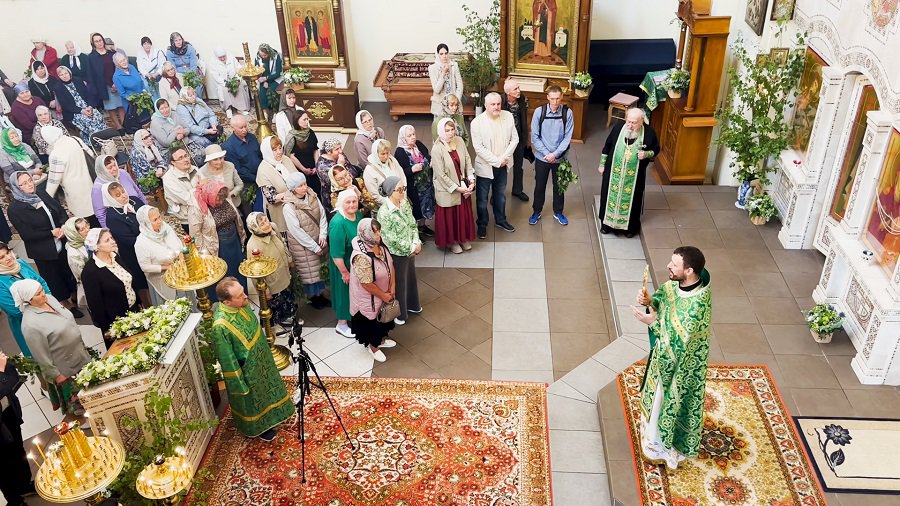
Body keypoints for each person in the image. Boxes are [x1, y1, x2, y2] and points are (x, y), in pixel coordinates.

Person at [632, 246, 711, 469]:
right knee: (656, 396)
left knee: (664, 400)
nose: (668, 266)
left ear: (689, 270)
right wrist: (649, 301)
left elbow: (678, 344)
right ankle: (652, 434)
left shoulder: (697, 306)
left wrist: (652, 322)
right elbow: (662, 300)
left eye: (674, 264)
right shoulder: (674, 284)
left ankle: (660, 444)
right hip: (663, 359)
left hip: (679, 367)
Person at [211, 277, 293, 441]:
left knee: (269, 388)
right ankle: (260, 427)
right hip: (248, 371)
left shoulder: (241, 304)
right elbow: (227, 360)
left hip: (262, 359)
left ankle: (276, 414)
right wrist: (239, 384)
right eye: (240, 295)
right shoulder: (220, 326)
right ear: (227, 302)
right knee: (255, 399)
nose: (246, 297)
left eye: (243, 292)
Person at [7, 171, 82, 316]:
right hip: (44, 250)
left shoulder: (41, 194)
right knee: (54, 278)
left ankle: (75, 296)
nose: (29, 185)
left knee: (68, 271)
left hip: (61, 241)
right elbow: (27, 234)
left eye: (30, 180)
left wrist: (63, 226)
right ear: (16, 187)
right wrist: (50, 233)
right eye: (24, 184)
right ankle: (65, 305)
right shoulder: (15, 209)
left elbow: (59, 210)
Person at [15, 279, 91, 416]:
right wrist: (57, 376)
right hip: (66, 368)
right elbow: (41, 356)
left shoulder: (49, 299)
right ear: (28, 300)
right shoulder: (30, 325)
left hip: (80, 354)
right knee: (80, 404)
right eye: (38, 294)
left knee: (92, 392)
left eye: (42, 290)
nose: (43, 294)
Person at [598, 108, 660, 238]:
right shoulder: (618, 127)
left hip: (634, 177)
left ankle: (629, 228)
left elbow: (656, 149)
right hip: (613, 172)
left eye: (634, 123)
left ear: (641, 121)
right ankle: (606, 225)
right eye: (628, 121)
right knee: (608, 196)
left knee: (633, 201)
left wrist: (646, 154)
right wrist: (602, 164)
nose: (630, 125)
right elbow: (607, 145)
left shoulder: (649, 133)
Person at [81, 228, 140, 347]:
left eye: (111, 238)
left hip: (134, 311)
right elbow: (96, 305)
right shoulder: (90, 272)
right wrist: (108, 329)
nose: (113, 241)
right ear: (97, 247)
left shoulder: (115, 256)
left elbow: (128, 282)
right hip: (116, 321)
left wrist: (138, 302)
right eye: (107, 240)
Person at [470, 92, 519, 238]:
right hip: (486, 166)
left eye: (498, 104)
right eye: (493, 104)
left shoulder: (508, 116)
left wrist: (503, 158)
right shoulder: (477, 123)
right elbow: (479, 148)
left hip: (503, 164)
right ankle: (482, 224)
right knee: (482, 199)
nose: (496, 107)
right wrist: (497, 161)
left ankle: (500, 220)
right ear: (486, 105)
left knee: (500, 195)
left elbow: (515, 139)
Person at [348, 218, 397, 362]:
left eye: (379, 231)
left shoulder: (380, 245)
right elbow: (366, 284)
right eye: (375, 232)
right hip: (369, 300)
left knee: (383, 320)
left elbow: (390, 265)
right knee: (371, 323)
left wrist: (392, 287)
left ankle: (380, 340)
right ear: (366, 233)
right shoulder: (360, 257)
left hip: (384, 294)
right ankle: (373, 346)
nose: (379, 235)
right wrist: (383, 295)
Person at [376, 176, 421, 325]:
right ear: (390, 192)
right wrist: (411, 247)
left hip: (410, 248)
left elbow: (412, 224)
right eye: (399, 189)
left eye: (404, 188)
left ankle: (413, 305)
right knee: (400, 283)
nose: (402, 192)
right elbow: (390, 238)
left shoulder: (404, 203)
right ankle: (400, 313)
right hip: (397, 254)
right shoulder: (384, 213)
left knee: (411, 278)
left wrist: (416, 241)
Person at [282, 173, 330, 310]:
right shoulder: (288, 207)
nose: (304, 187)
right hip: (303, 246)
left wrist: (323, 234)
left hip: (317, 238)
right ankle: (314, 298)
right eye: (300, 186)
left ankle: (321, 296)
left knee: (319, 270)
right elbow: (296, 231)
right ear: (293, 189)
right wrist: (314, 247)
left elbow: (321, 215)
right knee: (310, 274)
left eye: (304, 184)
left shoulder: (312, 195)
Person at [529, 85, 574, 226]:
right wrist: (547, 154)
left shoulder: (567, 113)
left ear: (562, 97)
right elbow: (535, 137)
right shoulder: (539, 112)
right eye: (552, 98)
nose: (555, 102)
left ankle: (558, 212)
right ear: (547, 97)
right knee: (539, 186)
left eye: (558, 98)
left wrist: (555, 154)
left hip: (560, 158)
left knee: (559, 187)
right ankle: (536, 211)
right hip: (542, 157)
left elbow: (567, 137)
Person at [189, 180, 246, 291]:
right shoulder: (196, 208)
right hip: (218, 247)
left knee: (239, 268)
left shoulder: (225, 199)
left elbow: (236, 218)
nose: (220, 202)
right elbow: (195, 235)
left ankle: (241, 293)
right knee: (224, 274)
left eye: (222, 199)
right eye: (217, 199)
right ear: (209, 196)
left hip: (234, 242)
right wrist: (204, 255)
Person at [431, 118, 476, 254]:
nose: (451, 133)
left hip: (462, 184)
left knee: (462, 214)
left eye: (452, 129)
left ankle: (463, 238)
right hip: (447, 189)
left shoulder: (460, 141)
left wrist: (471, 179)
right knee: (451, 217)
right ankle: (452, 242)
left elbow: (467, 160)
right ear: (440, 132)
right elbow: (441, 175)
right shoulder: (437, 149)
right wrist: (457, 188)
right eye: (447, 130)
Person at [0, 242, 52, 357]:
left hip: (48, 310)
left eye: (8, 252)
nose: (8, 257)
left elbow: (41, 282)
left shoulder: (21, 263)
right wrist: (42, 305)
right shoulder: (1, 281)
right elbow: (15, 310)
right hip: (27, 324)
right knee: (41, 356)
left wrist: (48, 299)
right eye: (2, 257)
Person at [103, 182, 149, 306]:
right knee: (143, 283)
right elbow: (128, 240)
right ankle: (148, 305)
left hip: (151, 244)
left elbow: (148, 215)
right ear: (110, 198)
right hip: (134, 253)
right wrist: (149, 239)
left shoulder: (134, 200)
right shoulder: (112, 217)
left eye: (123, 191)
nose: (123, 196)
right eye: (118, 195)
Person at [0, 349, 37, 505]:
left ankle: (24, 485)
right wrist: (1, 372)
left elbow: (14, 377)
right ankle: (15, 501)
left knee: (18, 450)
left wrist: (4, 369)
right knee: (2, 464)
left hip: (9, 412)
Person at [246, 212, 297, 325]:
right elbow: (255, 274)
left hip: (283, 273)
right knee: (275, 308)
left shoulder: (273, 227)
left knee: (287, 299)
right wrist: (265, 292)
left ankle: (288, 318)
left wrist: (289, 259)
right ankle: (277, 326)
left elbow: (282, 243)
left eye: (266, 219)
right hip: (272, 283)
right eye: (262, 223)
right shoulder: (253, 246)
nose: (267, 224)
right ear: (255, 228)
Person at [43, 126, 96, 223]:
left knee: (85, 217)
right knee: (97, 209)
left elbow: (54, 180)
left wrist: (47, 197)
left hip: (74, 189)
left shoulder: (56, 154)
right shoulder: (75, 139)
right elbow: (91, 154)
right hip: (89, 179)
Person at [135, 206, 186, 305]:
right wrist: (166, 267)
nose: (160, 221)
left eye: (159, 217)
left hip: (180, 273)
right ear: (145, 223)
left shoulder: (166, 228)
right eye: (155, 220)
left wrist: (181, 256)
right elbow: (145, 267)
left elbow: (178, 244)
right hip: (162, 280)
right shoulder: (141, 242)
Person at [329, 189, 362, 338]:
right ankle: (341, 324)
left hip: (356, 261)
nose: (352, 205)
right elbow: (336, 253)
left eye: (354, 201)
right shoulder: (338, 223)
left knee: (355, 292)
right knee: (344, 292)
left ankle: (354, 315)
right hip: (342, 264)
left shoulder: (358, 215)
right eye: (348, 202)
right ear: (342, 203)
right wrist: (345, 272)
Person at [394, 125, 435, 238]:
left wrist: (431, 161)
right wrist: (412, 169)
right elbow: (400, 172)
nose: (413, 137)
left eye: (413, 134)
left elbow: (427, 156)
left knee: (425, 207)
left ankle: (422, 227)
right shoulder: (400, 152)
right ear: (403, 137)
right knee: (416, 209)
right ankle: (414, 232)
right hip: (414, 188)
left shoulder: (419, 144)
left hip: (426, 184)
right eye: (409, 136)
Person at [52, 66, 107, 143]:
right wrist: (82, 111)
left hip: (87, 107)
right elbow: (66, 105)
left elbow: (88, 95)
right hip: (74, 111)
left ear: (69, 73)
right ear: (59, 76)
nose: (64, 76)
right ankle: (95, 142)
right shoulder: (58, 87)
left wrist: (90, 106)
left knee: (98, 117)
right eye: (61, 75)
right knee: (87, 121)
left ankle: (104, 138)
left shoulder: (78, 80)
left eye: (66, 73)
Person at [256, 135, 298, 233]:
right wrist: (292, 192)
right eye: (274, 150)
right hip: (281, 210)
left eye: (280, 148)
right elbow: (271, 198)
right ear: (267, 151)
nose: (279, 152)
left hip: (298, 206)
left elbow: (297, 177)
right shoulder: (263, 170)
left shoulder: (285, 159)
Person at [91, 154, 147, 227]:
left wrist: (147, 209)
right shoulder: (98, 188)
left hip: (139, 213)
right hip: (122, 223)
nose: (114, 169)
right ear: (102, 170)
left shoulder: (123, 173)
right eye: (110, 168)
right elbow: (101, 214)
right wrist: (108, 230)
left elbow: (138, 192)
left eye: (114, 165)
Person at [224, 114, 263, 215]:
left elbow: (260, 155)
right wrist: (256, 178)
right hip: (246, 183)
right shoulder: (229, 147)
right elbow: (238, 170)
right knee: (250, 210)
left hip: (261, 176)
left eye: (245, 126)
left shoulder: (252, 137)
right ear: (233, 128)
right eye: (241, 128)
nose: (244, 130)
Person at [150, 97, 204, 165]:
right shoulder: (155, 123)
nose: (165, 110)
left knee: (203, 154)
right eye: (162, 109)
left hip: (185, 143)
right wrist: (176, 132)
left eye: (166, 107)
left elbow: (187, 128)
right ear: (157, 110)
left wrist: (183, 133)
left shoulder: (174, 114)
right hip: (171, 150)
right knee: (195, 161)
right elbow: (165, 143)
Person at [86, 32, 123, 130]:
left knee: (121, 105)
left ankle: (124, 125)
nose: (99, 43)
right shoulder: (91, 57)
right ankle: (119, 127)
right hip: (103, 85)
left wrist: (116, 83)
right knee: (111, 107)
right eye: (96, 41)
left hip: (117, 83)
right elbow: (91, 74)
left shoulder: (112, 53)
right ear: (93, 44)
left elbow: (119, 67)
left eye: (100, 40)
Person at [502, 78, 530, 202]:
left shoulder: (522, 99)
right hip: (504, 140)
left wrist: (527, 138)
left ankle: (517, 190)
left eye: (518, 88)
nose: (519, 91)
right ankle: (497, 193)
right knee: (501, 167)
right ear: (508, 92)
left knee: (519, 166)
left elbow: (525, 119)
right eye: (515, 89)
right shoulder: (501, 101)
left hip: (518, 138)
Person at [283, 107, 321, 198]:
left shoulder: (310, 132)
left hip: (313, 168)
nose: (307, 122)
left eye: (307, 119)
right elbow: (292, 156)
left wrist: (316, 165)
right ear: (297, 121)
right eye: (304, 119)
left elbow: (315, 149)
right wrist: (304, 169)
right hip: (300, 170)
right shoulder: (292, 137)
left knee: (318, 191)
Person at [316, 138, 360, 212]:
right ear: (328, 152)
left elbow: (352, 172)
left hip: (351, 188)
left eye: (340, 147)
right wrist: (340, 165)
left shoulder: (340, 155)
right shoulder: (322, 167)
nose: (340, 151)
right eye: (337, 149)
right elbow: (335, 184)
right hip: (335, 196)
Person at [161, 146, 200, 231]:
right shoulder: (169, 179)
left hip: (203, 212)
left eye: (186, 156)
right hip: (188, 219)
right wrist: (200, 188)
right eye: (180, 158)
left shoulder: (194, 169)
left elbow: (206, 184)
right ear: (173, 163)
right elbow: (187, 199)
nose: (186, 159)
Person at [207, 48, 250, 118]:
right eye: (220, 57)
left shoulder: (231, 57)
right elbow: (216, 76)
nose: (223, 58)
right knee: (225, 90)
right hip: (222, 82)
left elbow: (239, 68)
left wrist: (237, 80)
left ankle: (240, 108)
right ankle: (228, 109)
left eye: (224, 56)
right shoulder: (213, 62)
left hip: (234, 79)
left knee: (238, 87)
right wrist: (226, 84)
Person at [363, 139, 407, 208]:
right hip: (387, 206)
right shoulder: (369, 171)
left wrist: (403, 197)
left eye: (387, 153)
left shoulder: (392, 160)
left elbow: (402, 177)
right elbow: (375, 195)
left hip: (402, 200)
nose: (386, 156)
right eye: (383, 154)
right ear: (376, 153)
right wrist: (393, 204)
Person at [199, 144, 243, 209]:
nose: (219, 162)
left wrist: (231, 194)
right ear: (209, 161)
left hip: (234, 203)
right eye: (215, 159)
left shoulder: (230, 166)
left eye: (221, 158)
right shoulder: (202, 172)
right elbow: (202, 195)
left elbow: (240, 184)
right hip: (215, 209)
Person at [427, 43, 463, 116]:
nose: (444, 56)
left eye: (446, 53)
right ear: (438, 55)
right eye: (441, 54)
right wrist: (443, 73)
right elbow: (437, 89)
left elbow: (460, 84)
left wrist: (456, 100)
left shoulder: (454, 65)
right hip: (440, 106)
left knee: (455, 123)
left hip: (454, 104)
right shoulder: (432, 68)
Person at [62, 217, 90, 307]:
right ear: (74, 233)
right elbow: (82, 274)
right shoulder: (73, 253)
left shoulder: (86, 239)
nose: (87, 230)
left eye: (87, 226)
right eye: (82, 229)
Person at [130, 129, 167, 196]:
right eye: (146, 138)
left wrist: (161, 167)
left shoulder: (153, 145)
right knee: (169, 177)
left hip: (159, 170)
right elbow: (147, 171)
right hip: (148, 179)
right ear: (140, 140)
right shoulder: (137, 153)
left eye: (149, 135)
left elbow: (164, 158)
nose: (150, 138)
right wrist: (161, 168)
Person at [166, 32, 204, 98]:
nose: (179, 42)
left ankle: (197, 100)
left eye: (180, 40)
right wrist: (179, 76)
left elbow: (194, 64)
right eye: (176, 40)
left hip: (192, 71)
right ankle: (185, 101)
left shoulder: (189, 48)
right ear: (172, 42)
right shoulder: (169, 52)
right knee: (178, 83)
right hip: (179, 73)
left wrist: (190, 75)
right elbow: (172, 67)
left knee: (197, 82)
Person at [254, 44, 283, 118]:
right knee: (262, 91)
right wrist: (264, 81)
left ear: (269, 53)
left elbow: (278, 73)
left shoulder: (276, 56)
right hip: (264, 80)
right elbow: (257, 71)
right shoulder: (257, 57)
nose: (263, 57)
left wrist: (267, 78)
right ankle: (265, 111)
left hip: (275, 78)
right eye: (261, 55)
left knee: (273, 90)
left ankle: (275, 111)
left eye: (265, 55)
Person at [136, 36, 167, 102]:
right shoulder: (139, 54)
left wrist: (156, 74)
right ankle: (154, 103)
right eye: (145, 44)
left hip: (158, 74)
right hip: (147, 75)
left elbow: (163, 65)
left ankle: (161, 102)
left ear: (151, 44)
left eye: (148, 43)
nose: (147, 46)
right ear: (142, 46)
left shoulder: (158, 52)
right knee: (146, 86)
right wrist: (147, 74)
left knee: (160, 85)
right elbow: (140, 67)